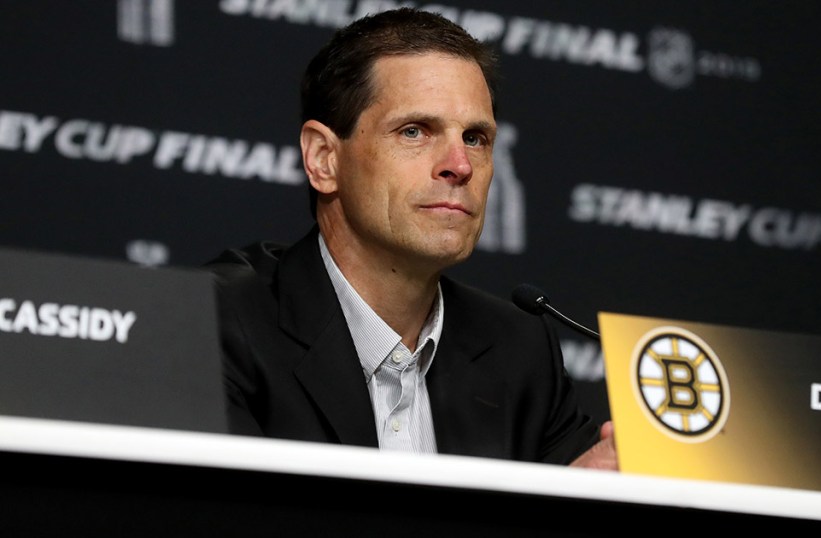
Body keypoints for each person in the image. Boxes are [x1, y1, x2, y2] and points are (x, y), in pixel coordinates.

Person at [205, 7, 617, 470]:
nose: (460, 165)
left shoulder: (519, 351)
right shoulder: (216, 322)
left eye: (476, 138)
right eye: (415, 131)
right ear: (323, 159)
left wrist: (588, 487)